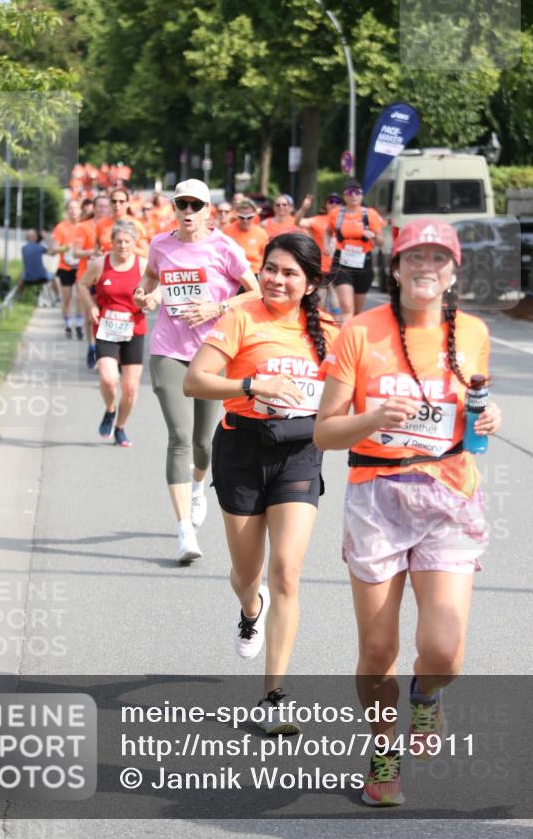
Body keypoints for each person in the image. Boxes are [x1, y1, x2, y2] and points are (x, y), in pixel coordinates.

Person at [314, 218, 502, 807]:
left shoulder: (472, 332)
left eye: (438, 259)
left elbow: (474, 409)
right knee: (376, 651)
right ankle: (383, 754)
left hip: (449, 495)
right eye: (414, 258)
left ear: (453, 272)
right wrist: (372, 420)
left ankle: (425, 695)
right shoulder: (359, 332)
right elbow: (323, 433)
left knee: (444, 651)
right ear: (394, 269)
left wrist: (491, 419)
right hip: (377, 496)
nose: (427, 268)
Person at [184, 234, 338, 731]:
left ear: (311, 283)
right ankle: (250, 610)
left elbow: (357, 391)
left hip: (299, 454)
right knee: (248, 576)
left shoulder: (330, 332)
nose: (275, 279)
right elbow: (195, 380)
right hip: (242, 449)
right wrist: (252, 384)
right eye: (270, 268)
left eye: (289, 273)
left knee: (287, 573)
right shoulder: (242, 316)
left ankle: (275, 696)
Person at [134, 180, 260, 563]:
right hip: (168, 350)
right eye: (181, 205)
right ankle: (184, 529)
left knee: (204, 443)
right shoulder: (160, 244)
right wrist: (147, 296)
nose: (187, 212)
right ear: (175, 208)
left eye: (195, 205)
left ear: (208, 210)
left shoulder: (224, 247)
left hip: (211, 353)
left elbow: (254, 292)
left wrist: (217, 308)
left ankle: (198, 487)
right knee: (179, 437)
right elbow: (151, 281)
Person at [78, 220, 148, 448]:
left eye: (127, 242)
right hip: (106, 327)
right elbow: (82, 284)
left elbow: (156, 291)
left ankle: (120, 427)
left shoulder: (143, 266)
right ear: (112, 242)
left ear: (134, 243)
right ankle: (110, 409)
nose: (123, 246)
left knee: (130, 388)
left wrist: (149, 301)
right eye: (118, 241)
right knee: (109, 379)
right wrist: (91, 305)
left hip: (133, 329)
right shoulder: (100, 264)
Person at [327, 178, 385, 323]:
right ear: (344, 196)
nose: (353, 196)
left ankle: (352, 337)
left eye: (357, 192)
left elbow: (381, 241)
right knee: (347, 307)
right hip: (341, 263)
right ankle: (342, 342)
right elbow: (328, 231)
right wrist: (327, 245)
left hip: (363, 263)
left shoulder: (370, 214)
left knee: (357, 312)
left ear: (361, 195)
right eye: (349, 192)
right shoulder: (336, 214)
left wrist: (373, 236)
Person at [73, 193, 111, 368]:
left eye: (106, 206)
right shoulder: (83, 226)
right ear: (93, 208)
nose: (103, 209)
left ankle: (107, 352)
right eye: (100, 206)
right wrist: (93, 254)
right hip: (87, 276)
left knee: (108, 315)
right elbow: (76, 252)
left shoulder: (114, 226)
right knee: (91, 316)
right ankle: (91, 346)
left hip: (109, 276)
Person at [294, 191, 343, 315]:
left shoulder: (346, 220)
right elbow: (297, 222)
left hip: (341, 266)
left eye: (337, 202)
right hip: (321, 266)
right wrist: (304, 208)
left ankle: (337, 331)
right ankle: (322, 328)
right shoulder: (317, 220)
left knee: (341, 303)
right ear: (325, 205)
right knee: (320, 302)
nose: (334, 204)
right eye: (331, 202)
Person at [50, 200, 85, 338]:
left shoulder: (84, 226)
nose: (73, 211)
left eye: (76, 208)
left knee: (80, 297)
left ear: (80, 210)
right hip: (65, 267)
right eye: (70, 208)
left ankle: (79, 325)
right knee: (67, 297)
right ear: (66, 211)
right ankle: (68, 325)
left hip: (81, 266)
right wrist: (65, 247)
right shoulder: (60, 227)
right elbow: (52, 250)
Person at [96, 187, 147, 257]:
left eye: (121, 201)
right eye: (114, 201)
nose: (117, 204)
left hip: (129, 265)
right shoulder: (101, 224)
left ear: (127, 204)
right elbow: (96, 250)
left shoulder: (136, 224)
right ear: (110, 203)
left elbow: (146, 253)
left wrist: (127, 248)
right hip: (106, 265)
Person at [223, 199, 269, 275]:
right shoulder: (227, 231)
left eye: (249, 217)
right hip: (232, 273)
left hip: (254, 272)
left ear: (254, 215)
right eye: (242, 217)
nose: (245, 221)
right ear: (236, 215)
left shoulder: (261, 233)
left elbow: (266, 257)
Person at [18, 229, 51, 297]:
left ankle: (20, 296)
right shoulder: (40, 247)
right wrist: (45, 238)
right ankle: (57, 298)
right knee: (52, 276)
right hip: (42, 277)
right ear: (35, 237)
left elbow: (33, 248)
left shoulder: (23, 248)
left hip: (28, 278)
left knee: (21, 274)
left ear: (26, 238)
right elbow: (51, 251)